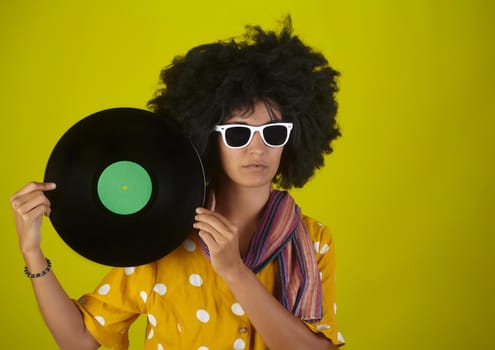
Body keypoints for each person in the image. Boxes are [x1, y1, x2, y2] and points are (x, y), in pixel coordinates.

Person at [10, 16, 345, 349]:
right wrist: (32, 253)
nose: (257, 148)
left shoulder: (314, 240)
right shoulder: (163, 236)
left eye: (273, 133)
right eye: (239, 133)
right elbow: (79, 340)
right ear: (208, 137)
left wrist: (234, 271)